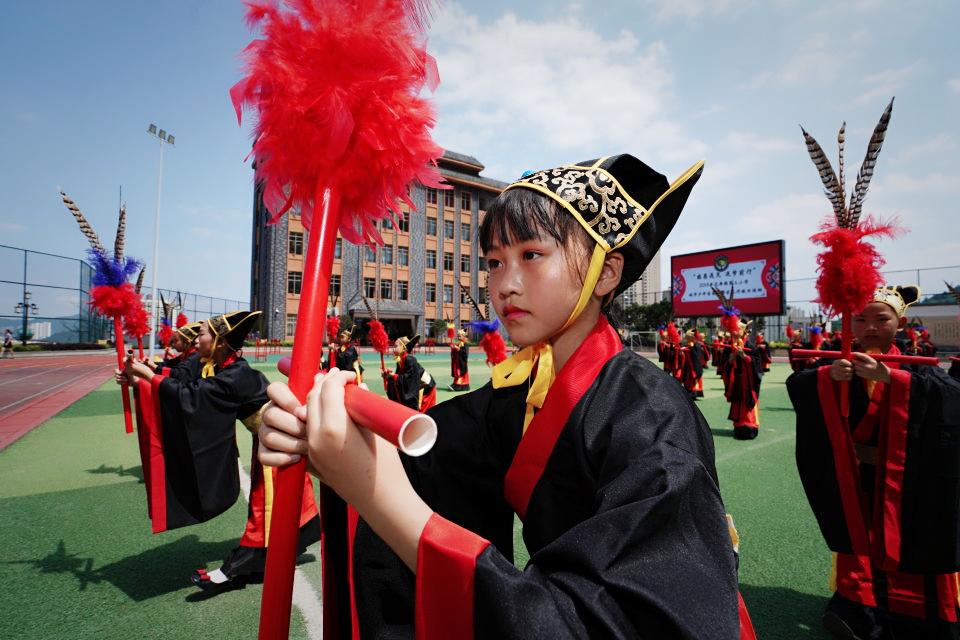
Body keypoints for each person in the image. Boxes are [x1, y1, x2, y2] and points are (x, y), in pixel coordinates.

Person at [258, 154, 755, 638]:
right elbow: (432, 455)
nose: (504, 285)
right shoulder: (521, 391)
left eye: (531, 255)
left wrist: (376, 493)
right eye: (495, 262)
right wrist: (335, 433)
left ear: (605, 272)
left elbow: (622, 622)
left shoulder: (654, 420)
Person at [787, 285, 960, 640]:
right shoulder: (838, 363)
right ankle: (857, 605)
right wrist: (827, 378)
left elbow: (951, 398)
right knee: (857, 537)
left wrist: (892, 378)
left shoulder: (915, 367)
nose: (869, 328)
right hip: (856, 476)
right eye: (859, 319)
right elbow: (799, 385)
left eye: (881, 319)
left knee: (907, 541)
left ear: (901, 323)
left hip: (907, 479)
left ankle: (914, 613)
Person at [119, 310, 319, 593]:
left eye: (201, 334)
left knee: (264, 509)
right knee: (283, 501)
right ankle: (295, 539)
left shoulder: (236, 374)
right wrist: (139, 379)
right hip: (265, 437)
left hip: (277, 438)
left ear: (220, 342)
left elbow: (193, 396)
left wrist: (148, 377)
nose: (195, 339)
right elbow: (184, 379)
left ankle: (237, 569)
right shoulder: (216, 365)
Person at [383, 334, 437, 412]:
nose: (393, 348)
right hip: (418, 386)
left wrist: (394, 376)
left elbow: (409, 379)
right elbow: (400, 377)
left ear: (404, 348)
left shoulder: (410, 360)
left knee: (422, 414)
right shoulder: (400, 360)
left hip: (426, 389)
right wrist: (388, 375)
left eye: (396, 346)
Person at [680, 328, 709, 399]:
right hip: (688, 366)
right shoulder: (689, 344)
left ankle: (694, 393)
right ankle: (689, 392)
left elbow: (697, 356)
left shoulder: (697, 345)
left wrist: (692, 348)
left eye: (688, 338)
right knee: (687, 379)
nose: (687, 339)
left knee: (693, 380)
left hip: (694, 367)